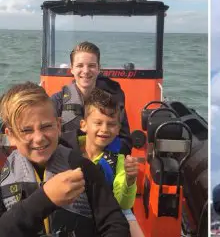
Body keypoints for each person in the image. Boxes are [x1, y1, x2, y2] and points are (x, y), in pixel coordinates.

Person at [0, 82, 129, 235]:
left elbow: (115, 223)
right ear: (11, 136)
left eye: (46, 126)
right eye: (26, 130)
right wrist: (45, 198)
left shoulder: (83, 167)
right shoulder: (3, 176)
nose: (39, 138)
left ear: (59, 126)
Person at [79, 88, 144, 237]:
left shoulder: (118, 160)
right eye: (98, 123)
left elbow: (123, 204)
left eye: (111, 124)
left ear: (118, 129)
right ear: (83, 125)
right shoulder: (69, 150)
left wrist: (130, 179)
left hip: (110, 210)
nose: (104, 129)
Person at [51, 42, 132, 154]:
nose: (86, 71)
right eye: (80, 66)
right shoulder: (57, 101)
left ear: (99, 68)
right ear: (72, 69)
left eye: (91, 66)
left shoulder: (113, 99)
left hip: (104, 165)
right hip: (67, 164)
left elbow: (125, 142)